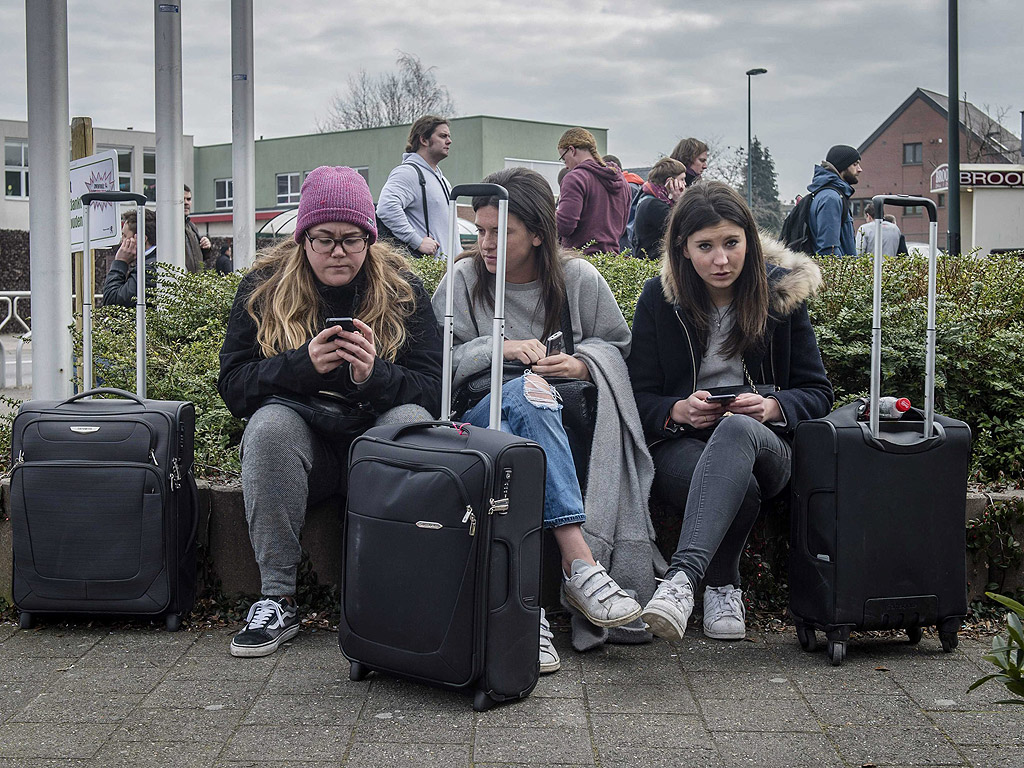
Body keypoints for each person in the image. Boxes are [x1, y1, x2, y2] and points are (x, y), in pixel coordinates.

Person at [434, 167, 662, 671]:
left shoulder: (578, 278)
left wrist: (583, 363)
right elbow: (437, 367)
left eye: (501, 232)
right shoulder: (463, 280)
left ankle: (525, 618)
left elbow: (618, 350)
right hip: (478, 421)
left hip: (562, 425)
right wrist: (498, 348)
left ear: (538, 233)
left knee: (531, 404)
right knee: (526, 393)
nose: (485, 244)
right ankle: (581, 565)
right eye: (481, 230)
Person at [219, 166, 443, 658]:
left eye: (352, 239)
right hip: (308, 450)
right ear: (303, 238)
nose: (338, 251)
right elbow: (233, 386)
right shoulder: (264, 286)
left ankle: (393, 596)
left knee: (410, 426)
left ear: (370, 237)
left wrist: (373, 376)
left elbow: (432, 391)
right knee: (268, 426)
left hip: (374, 445)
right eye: (324, 239)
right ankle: (276, 598)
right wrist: (302, 366)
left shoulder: (402, 288)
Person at [628, 181, 833, 642]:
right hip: (684, 445)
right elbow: (637, 395)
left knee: (738, 428)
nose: (721, 260)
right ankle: (721, 585)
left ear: (749, 241)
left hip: (766, 445)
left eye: (732, 244)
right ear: (683, 248)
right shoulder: (659, 301)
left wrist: (773, 406)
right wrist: (677, 410)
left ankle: (681, 581)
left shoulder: (779, 299)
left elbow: (818, 392)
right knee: (738, 488)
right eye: (705, 247)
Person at [376, 115, 453, 258]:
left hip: (447, 272)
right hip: (428, 274)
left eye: (448, 136)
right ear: (423, 139)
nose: (449, 141)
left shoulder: (442, 180)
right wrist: (417, 241)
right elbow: (386, 207)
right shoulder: (408, 173)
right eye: (443, 136)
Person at [556, 128, 631, 254]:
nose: (566, 166)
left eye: (564, 159)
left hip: (580, 260)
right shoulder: (622, 182)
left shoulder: (575, 178)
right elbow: (622, 228)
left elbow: (564, 226)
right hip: (612, 262)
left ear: (572, 150)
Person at [807, 144, 862, 256]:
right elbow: (828, 250)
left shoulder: (831, 195)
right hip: (837, 273)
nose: (860, 169)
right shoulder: (831, 199)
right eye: (855, 164)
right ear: (842, 166)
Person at [630, 157, 689, 259]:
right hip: (653, 263)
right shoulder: (654, 206)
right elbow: (682, 228)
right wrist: (680, 201)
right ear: (670, 182)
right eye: (682, 179)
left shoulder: (649, 199)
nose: (685, 184)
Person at [102, 208, 157, 308]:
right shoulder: (152, 261)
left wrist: (120, 262)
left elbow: (112, 302)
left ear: (141, 239)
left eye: (124, 236)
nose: (122, 241)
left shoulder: (148, 270)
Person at [184, 184, 212, 272]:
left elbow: (202, 257)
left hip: (195, 282)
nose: (186, 202)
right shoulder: (168, 227)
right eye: (182, 199)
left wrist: (206, 247)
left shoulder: (192, 226)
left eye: (188, 199)